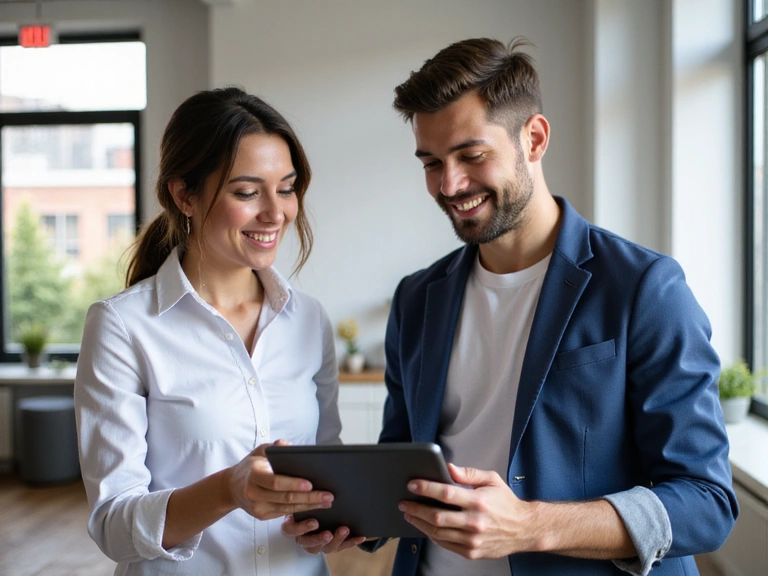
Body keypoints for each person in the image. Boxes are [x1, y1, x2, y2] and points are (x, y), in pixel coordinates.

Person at [298, 37, 739, 575]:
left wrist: (530, 525)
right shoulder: (417, 298)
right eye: (432, 162)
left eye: (471, 155)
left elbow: (706, 502)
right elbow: (404, 461)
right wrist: (347, 513)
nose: (449, 184)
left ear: (533, 138)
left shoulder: (645, 288)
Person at [74, 87, 364, 575]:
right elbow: (114, 525)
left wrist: (339, 517)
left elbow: (326, 478)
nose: (276, 212)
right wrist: (229, 489)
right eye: (247, 192)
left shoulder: (309, 320)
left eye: (287, 188)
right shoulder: (123, 327)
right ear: (184, 195)